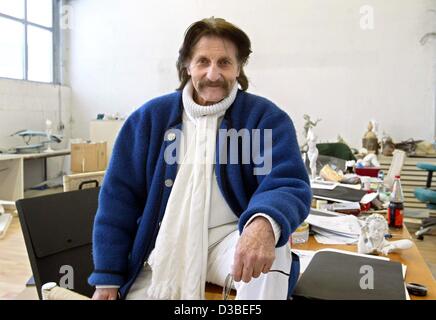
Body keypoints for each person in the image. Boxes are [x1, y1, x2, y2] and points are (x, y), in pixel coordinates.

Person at [89, 17, 312, 300]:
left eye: (224, 63)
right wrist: (107, 278)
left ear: (239, 67)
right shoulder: (148, 120)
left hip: (227, 245)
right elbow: (118, 200)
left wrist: (262, 224)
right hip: (161, 248)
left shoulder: (264, 118)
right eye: (203, 61)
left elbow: (287, 182)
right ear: (187, 65)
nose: (213, 74)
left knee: (275, 243)